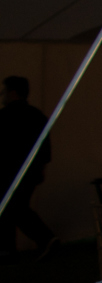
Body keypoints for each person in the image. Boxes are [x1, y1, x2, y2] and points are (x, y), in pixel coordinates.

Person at [1, 75, 57, 258]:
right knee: (15, 207)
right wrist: (41, 168)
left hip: (9, 170)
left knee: (12, 208)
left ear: (13, 93)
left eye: (5, 92)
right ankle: (12, 248)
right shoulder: (37, 116)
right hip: (31, 171)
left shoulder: (5, 116)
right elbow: (45, 145)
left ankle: (43, 239)